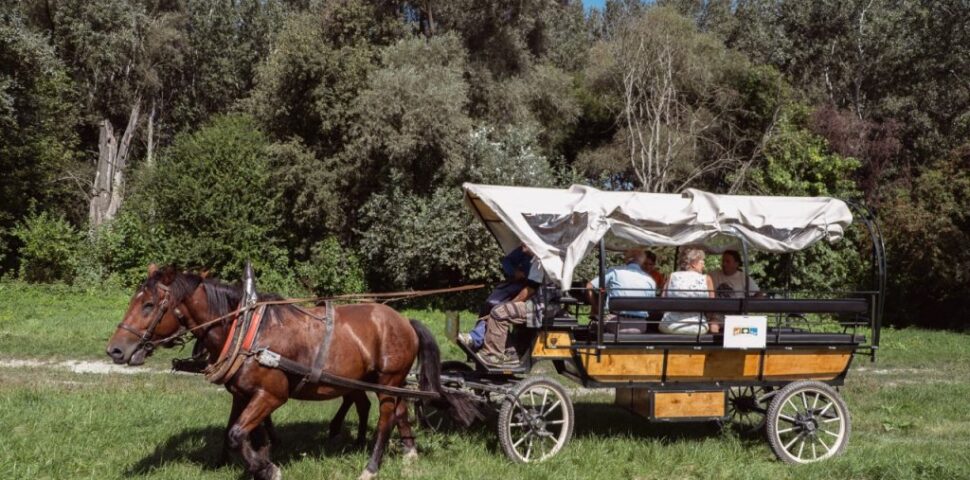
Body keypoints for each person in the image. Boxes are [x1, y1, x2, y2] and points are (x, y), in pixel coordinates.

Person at [477, 246, 546, 366]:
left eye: (526, 243)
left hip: (538, 307)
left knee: (499, 312)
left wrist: (508, 305)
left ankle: (494, 355)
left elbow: (529, 290)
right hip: (534, 302)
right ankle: (510, 352)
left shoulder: (540, 262)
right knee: (496, 309)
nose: (523, 247)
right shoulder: (536, 260)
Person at [465, 245, 533, 350]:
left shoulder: (541, 260)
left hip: (529, 291)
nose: (522, 244)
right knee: (490, 303)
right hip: (516, 285)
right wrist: (514, 272)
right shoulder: (522, 251)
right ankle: (478, 339)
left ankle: (476, 339)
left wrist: (511, 304)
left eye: (525, 242)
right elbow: (506, 262)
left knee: (497, 308)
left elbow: (532, 289)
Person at [587, 248, 657, 334]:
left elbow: (589, 286)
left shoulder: (615, 271)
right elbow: (651, 305)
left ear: (627, 258)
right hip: (640, 326)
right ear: (642, 261)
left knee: (594, 324)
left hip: (616, 324)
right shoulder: (650, 280)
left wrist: (595, 308)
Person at [659, 247, 715, 334]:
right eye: (702, 262)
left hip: (669, 325)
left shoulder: (672, 276)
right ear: (694, 264)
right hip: (697, 327)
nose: (703, 265)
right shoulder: (706, 279)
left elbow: (662, 300)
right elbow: (712, 306)